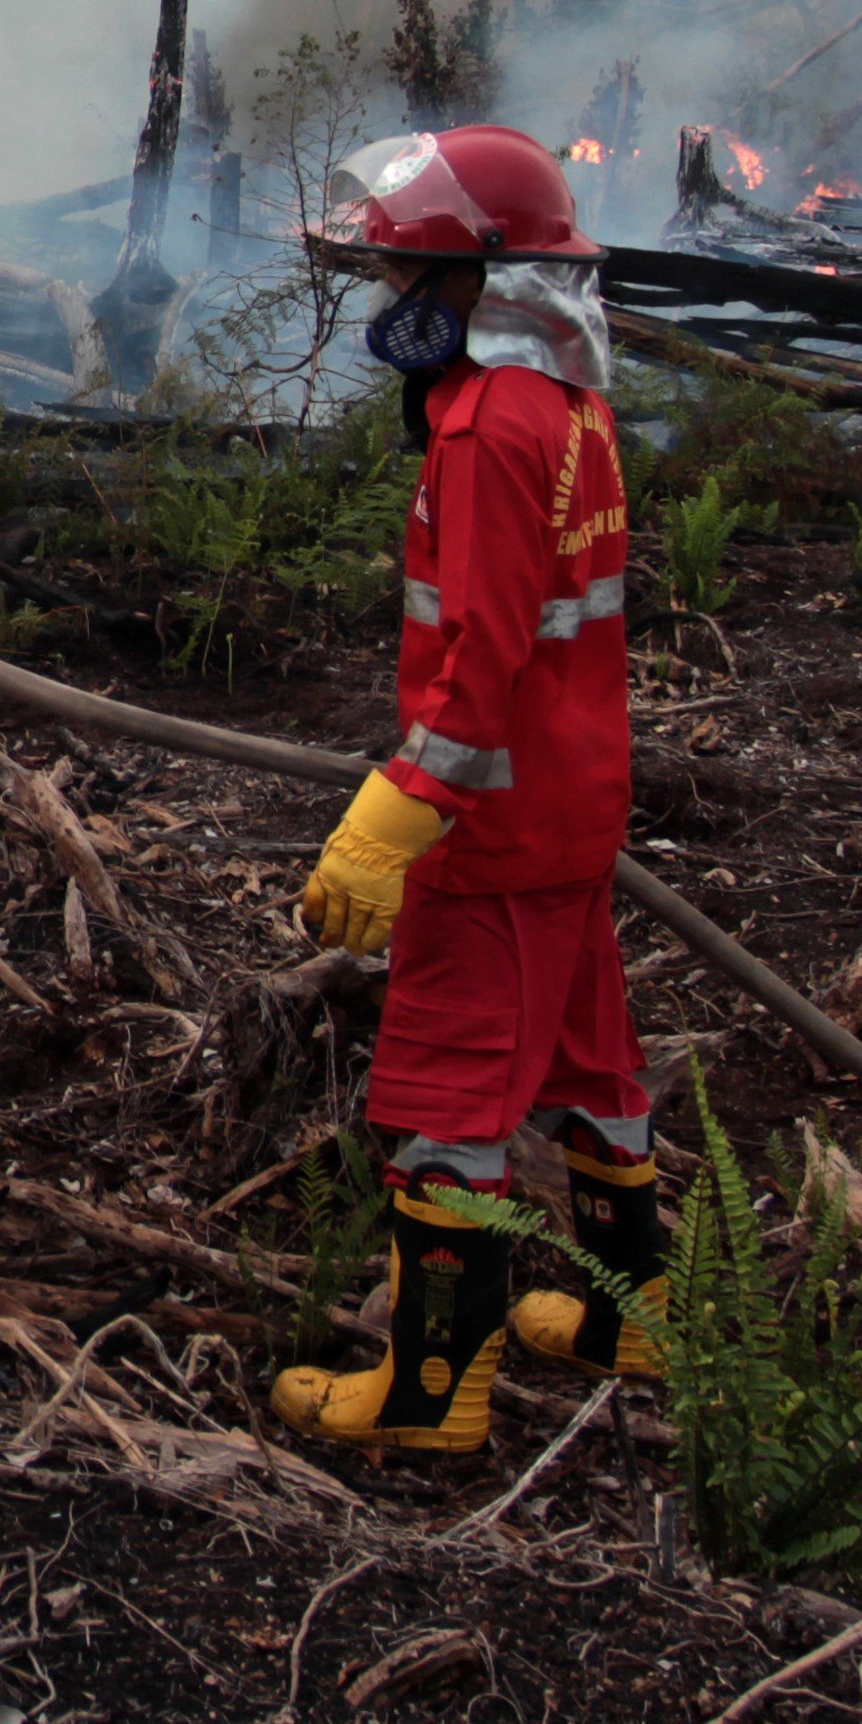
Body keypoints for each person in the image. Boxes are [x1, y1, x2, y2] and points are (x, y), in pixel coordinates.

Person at [272, 124, 658, 1458]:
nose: (392, 310)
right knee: (590, 1065)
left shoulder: (492, 431)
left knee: (442, 1101)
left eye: (407, 284)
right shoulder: (569, 406)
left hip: (488, 830)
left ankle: (436, 1393)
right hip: (573, 804)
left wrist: (393, 820)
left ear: (481, 286)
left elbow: (481, 655)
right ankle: (633, 1313)